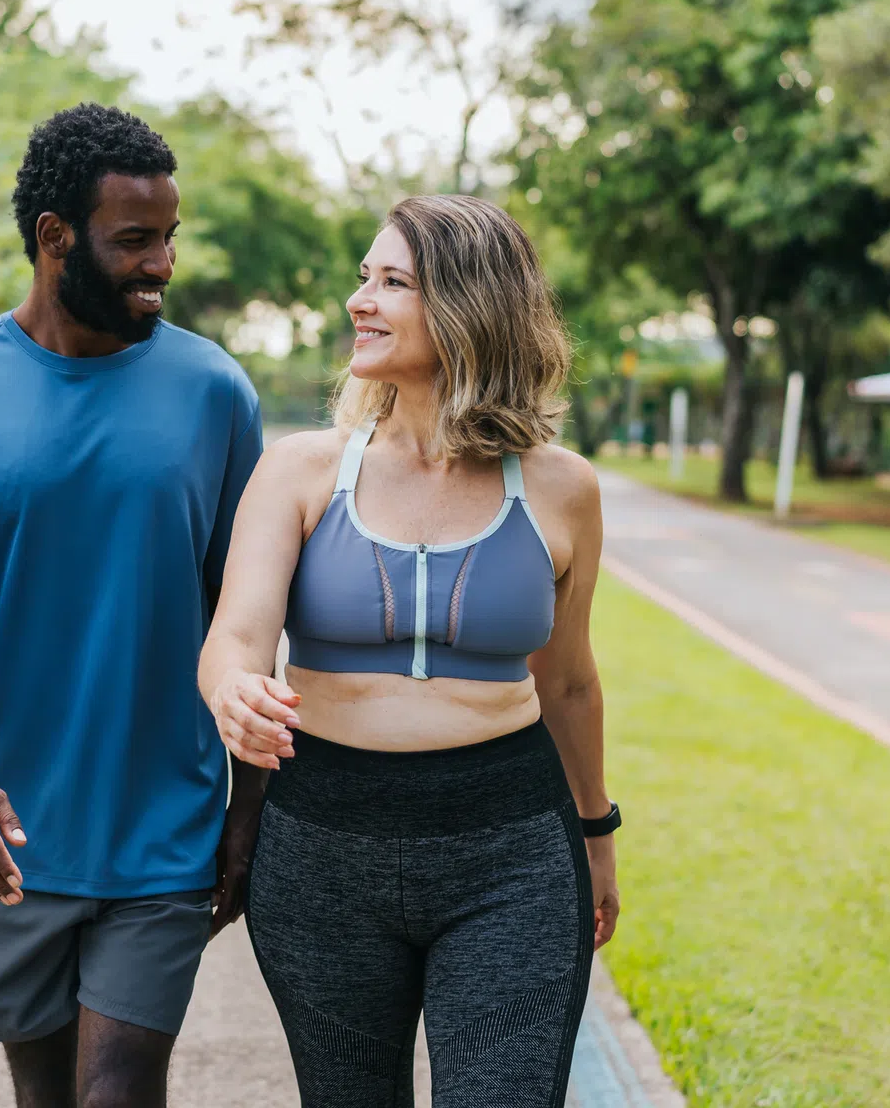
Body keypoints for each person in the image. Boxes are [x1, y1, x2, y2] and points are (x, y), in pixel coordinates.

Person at [0, 104, 264, 1108]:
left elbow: (250, 615)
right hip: (1, 831)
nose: (163, 263)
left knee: (120, 1092)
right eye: (136, 239)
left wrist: (253, 805)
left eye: (170, 236)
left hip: (165, 826)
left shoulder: (216, 393)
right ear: (56, 239)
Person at [200, 195, 621, 1108]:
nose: (361, 299)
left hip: (510, 849)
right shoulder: (303, 470)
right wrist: (233, 689)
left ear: (473, 306)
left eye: (393, 282)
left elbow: (573, 683)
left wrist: (596, 835)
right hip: (321, 851)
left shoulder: (561, 488)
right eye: (364, 277)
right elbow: (236, 633)